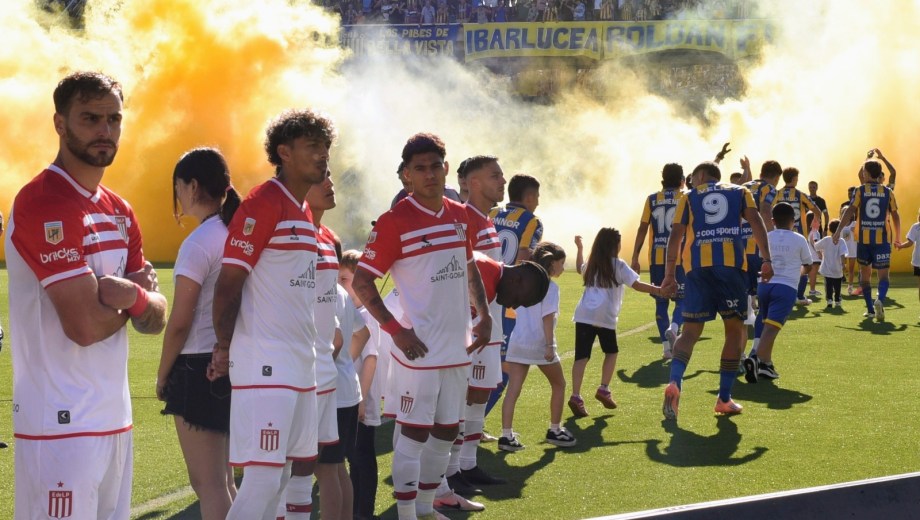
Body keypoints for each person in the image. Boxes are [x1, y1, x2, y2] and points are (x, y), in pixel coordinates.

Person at [6, 71, 168, 518]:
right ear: (60, 124)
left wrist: (132, 299)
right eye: (90, 118)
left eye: (114, 119)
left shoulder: (120, 209)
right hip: (59, 422)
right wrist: (137, 300)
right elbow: (82, 326)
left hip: (114, 418)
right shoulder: (44, 201)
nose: (105, 131)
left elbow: (155, 316)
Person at [351, 133, 493, 520]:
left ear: (446, 169)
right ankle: (407, 514)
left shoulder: (459, 214)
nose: (429, 174)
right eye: (420, 169)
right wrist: (397, 330)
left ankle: (428, 509)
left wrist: (484, 314)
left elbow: (468, 268)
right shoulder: (394, 222)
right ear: (406, 176)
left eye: (435, 166)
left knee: (448, 431)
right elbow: (363, 282)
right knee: (414, 434)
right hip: (419, 349)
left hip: (456, 346)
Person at [210, 108, 335, 519]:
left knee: (282, 479)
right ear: (284, 152)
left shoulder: (301, 210)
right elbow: (228, 284)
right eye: (313, 147)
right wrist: (224, 347)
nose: (323, 156)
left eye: (326, 147)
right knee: (263, 480)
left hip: (300, 365)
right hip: (266, 364)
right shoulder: (264, 202)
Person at [158, 148, 241, 519]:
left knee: (208, 485)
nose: (178, 195)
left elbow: (179, 321)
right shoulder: (232, 234)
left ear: (192, 186)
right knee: (224, 480)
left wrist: (162, 374)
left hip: (197, 366)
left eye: (178, 186)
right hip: (228, 360)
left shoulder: (199, 242)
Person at [661, 161, 773, 420]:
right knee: (734, 331)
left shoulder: (688, 197)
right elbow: (756, 222)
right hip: (731, 269)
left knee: (689, 332)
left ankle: (675, 381)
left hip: (696, 271)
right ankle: (724, 398)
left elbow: (676, 235)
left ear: (701, 175)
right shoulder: (740, 191)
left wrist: (669, 275)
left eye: (694, 177)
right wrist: (767, 259)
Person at [280, 169, 346, 520]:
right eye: (323, 178)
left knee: (308, 464)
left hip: (325, 372)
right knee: (285, 466)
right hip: (294, 372)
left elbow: (326, 307)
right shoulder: (287, 230)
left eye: (330, 177)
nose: (330, 185)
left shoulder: (328, 238)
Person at [448, 155, 507, 492]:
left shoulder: (487, 221)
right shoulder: (463, 219)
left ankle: (468, 464)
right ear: (471, 183)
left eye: (501, 175)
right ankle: (450, 470)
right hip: (471, 327)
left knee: (479, 396)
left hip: (491, 323)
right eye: (494, 175)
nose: (502, 181)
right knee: (461, 396)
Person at [569, 228, 665, 417]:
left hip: (584, 315)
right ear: (615, 245)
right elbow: (637, 285)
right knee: (611, 352)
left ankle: (576, 396)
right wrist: (660, 290)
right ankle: (604, 388)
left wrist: (579, 248)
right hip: (605, 317)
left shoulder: (592, 263)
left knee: (581, 357)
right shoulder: (618, 265)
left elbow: (581, 266)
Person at [500, 242, 573, 450]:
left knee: (513, 390)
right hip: (539, 344)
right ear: (552, 264)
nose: (563, 267)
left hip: (518, 341)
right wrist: (550, 345)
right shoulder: (550, 287)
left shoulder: (523, 283)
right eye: (561, 263)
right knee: (559, 384)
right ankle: (555, 430)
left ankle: (506, 436)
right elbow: (547, 317)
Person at [485, 174, 543, 419]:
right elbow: (522, 259)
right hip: (507, 301)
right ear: (529, 197)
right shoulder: (532, 221)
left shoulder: (491, 213)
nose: (538, 202)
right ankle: (470, 427)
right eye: (537, 197)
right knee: (504, 370)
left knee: (476, 361)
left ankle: (461, 424)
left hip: (483, 290)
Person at [742, 203, 812, 383]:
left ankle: (766, 364)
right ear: (793, 220)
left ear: (772, 221)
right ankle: (756, 358)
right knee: (772, 329)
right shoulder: (799, 239)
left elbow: (762, 258)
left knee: (765, 322)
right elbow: (809, 264)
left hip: (765, 286)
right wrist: (799, 273)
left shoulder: (767, 236)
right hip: (786, 287)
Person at [833, 159, 900, 322]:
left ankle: (870, 309)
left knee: (865, 276)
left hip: (863, 240)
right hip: (882, 240)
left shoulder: (860, 190)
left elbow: (850, 211)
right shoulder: (888, 192)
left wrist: (838, 230)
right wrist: (898, 237)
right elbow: (896, 215)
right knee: (883, 276)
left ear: (867, 174)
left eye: (864, 172)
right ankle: (880, 300)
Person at [630, 163, 685, 359]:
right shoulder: (685, 198)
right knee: (683, 299)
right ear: (682, 180)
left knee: (660, 302)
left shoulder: (652, 199)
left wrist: (635, 256)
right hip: (680, 258)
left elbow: (642, 228)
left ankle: (666, 348)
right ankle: (675, 327)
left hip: (657, 259)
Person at [773, 167, 821, 305]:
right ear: (794, 179)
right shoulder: (800, 194)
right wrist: (816, 220)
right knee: (803, 264)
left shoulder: (777, 193)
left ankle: (779, 293)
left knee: (779, 263)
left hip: (779, 234)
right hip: (797, 235)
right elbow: (816, 210)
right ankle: (799, 296)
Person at [814, 219, 848, 309]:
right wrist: (843, 264)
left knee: (828, 285)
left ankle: (829, 300)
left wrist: (819, 253)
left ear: (830, 229)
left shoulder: (826, 240)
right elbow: (842, 254)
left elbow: (816, 246)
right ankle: (837, 300)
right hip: (837, 269)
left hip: (827, 268)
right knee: (837, 286)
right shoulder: (842, 241)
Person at [895, 210, 920, 319]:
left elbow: (910, 242)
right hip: (918, 261)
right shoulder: (915, 227)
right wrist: (901, 246)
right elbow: (910, 242)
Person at [839, 205, 859, 295]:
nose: (845, 214)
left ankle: (850, 286)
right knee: (841, 268)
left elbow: (860, 237)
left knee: (851, 270)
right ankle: (838, 285)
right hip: (842, 251)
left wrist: (855, 231)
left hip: (852, 250)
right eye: (843, 212)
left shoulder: (855, 224)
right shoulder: (840, 225)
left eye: (847, 212)